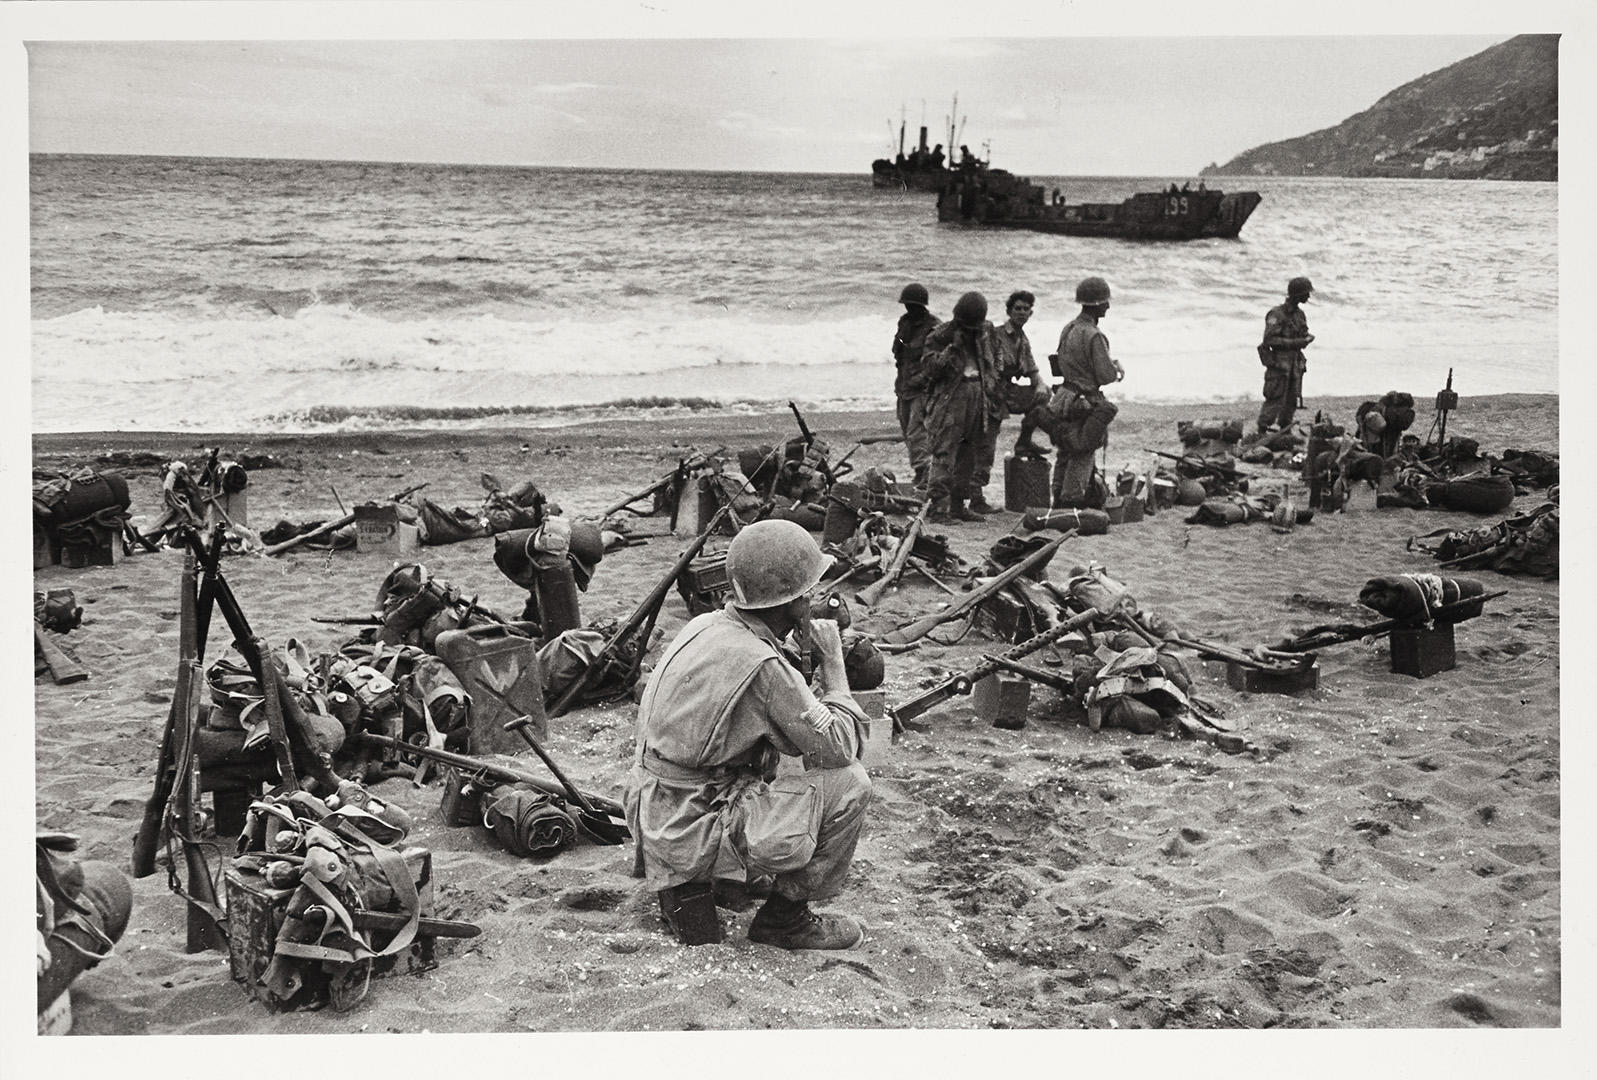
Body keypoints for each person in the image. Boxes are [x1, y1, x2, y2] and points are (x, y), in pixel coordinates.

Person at [625, 519, 873, 951]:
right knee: (851, 785)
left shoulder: (706, 626)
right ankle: (785, 920)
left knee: (771, 762)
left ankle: (720, 877)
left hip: (655, 810)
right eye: (809, 593)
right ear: (794, 601)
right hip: (693, 823)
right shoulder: (763, 666)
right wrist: (834, 669)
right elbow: (836, 749)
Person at [920, 291, 1003, 524]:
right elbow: (929, 369)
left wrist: (993, 380)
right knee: (945, 453)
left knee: (969, 453)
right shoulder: (940, 335)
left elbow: (996, 357)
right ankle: (937, 509)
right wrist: (952, 349)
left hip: (978, 394)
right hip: (951, 399)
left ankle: (957, 506)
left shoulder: (985, 332)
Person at [1047, 276, 1123, 508]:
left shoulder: (1068, 328)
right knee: (1083, 451)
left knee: (1065, 450)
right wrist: (1116, 368)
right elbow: (1105, 376)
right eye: (1105, 302)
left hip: (1065, 396)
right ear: (1097, 304)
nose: (1108, 306)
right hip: (1086, 400)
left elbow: (1059, 363)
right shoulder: (1094, 335)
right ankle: (1072, 503)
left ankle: (1058, 500)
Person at [969, 290, 1048, 513]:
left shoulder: (1022, 340)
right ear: (1009, 311)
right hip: (989, 395)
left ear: (1031, 313)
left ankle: (1024, 441)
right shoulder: (995, 335)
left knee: (1043, 396)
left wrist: (1040, 385)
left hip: (1006, 393)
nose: (1022, 312)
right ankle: (975, 498)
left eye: (1026, 309)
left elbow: (1032, 371)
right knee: (985, 446)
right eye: (1018, 308)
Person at [891, 283, 939, 487]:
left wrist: (921, 379)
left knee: (917, 431)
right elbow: (897, 350)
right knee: (906, 429)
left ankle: (924, 472)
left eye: (912, 305)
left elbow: (936, 362)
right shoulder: (905, 323)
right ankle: (920, 470)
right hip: (903, 386)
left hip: (922, 388)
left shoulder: (934, 327)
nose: (908, 309)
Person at [1258, 276, 1315, 434]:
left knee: (1292, 399)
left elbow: (1303, 332)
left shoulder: (1300, 315)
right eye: (1306, 293)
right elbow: (1269, 340)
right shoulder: (1276, 314)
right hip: (1279, 363)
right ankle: (1262, 430)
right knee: (1275, 397)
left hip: (1294, 363)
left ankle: (1285, 429)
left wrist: (1307, 338)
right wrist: (1297, 342)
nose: (1308, 297)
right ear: (1297, 294)